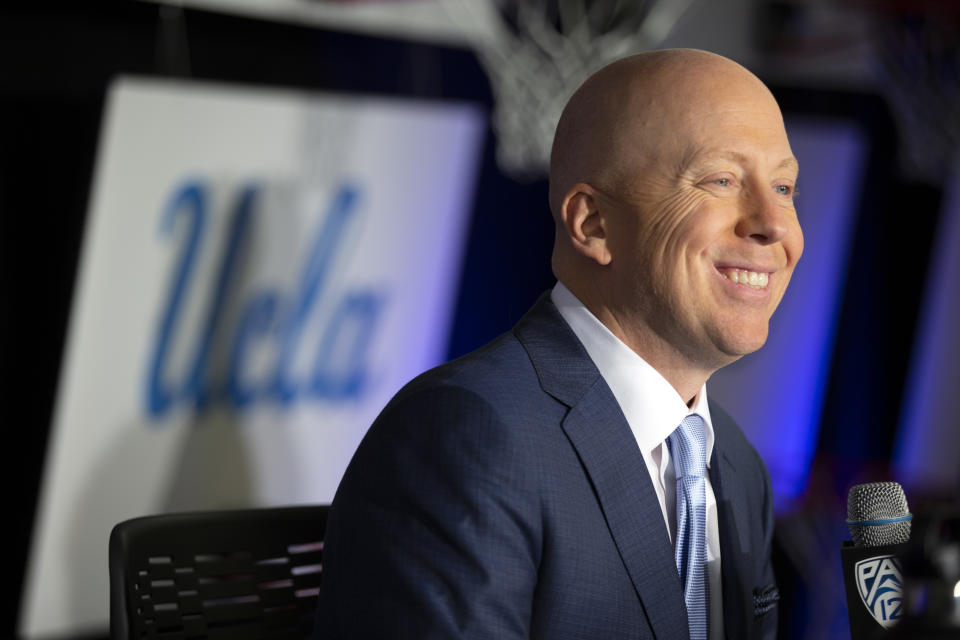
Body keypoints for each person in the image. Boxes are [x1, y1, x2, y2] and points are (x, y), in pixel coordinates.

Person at [312, 48, 802, 640]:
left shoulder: (738, 466)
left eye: (783, 186)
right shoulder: (466, 438)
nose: (772, 224)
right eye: (721, 180)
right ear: (593, 224)